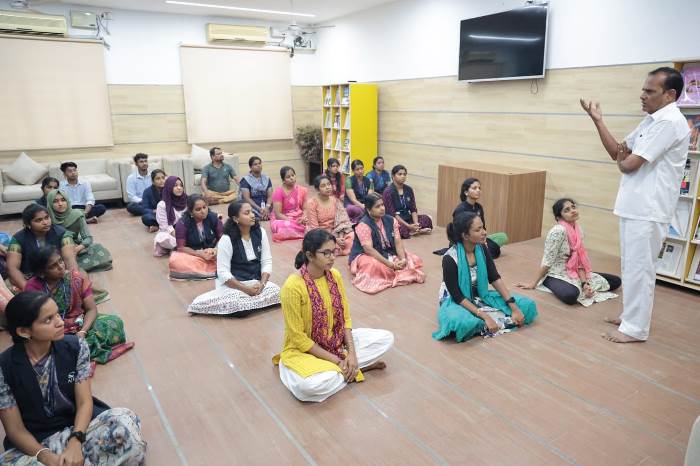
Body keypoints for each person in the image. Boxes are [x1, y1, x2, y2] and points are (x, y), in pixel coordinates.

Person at [581, 66, 690, 343]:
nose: (642, 95)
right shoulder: (652, 120)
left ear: (670, 94)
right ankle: (630, 317)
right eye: (643, 89)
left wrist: (623, 158)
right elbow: (617, 150)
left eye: (650, 91)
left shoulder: (669, 122)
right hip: (634, 206)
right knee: (630, 266)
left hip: (650, 209)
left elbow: (628, 164)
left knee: (641, 268)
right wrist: (598, 121)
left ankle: (635, 329)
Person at [0, 292, 146, 465]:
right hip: (37, 441)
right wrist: (47, 457)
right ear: (24, 331)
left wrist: (75, 442)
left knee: (124, 421)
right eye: (48, 320)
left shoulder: (76, 346)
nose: (60, 322)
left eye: (57, 314)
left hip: (79, 428)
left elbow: (84, 402)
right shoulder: (5, 366)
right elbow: (15, 429)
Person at [273, 229, 394, 402]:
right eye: (326, 253)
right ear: (310, 255)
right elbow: (298, 339)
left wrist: (351, 354)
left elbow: (345, 318)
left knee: (386, 338)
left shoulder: (335, 276)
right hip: (304, 351)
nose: (332, 257)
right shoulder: (292, 287)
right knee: (309, 387)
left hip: (336, 341)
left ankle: (348, 368)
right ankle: (352, 369)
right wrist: (337, 361)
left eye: (334, 251)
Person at [433, 212, 538, 342]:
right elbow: (457, 296)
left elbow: (494, 278)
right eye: (478, 230)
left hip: (480, 294)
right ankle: (489, 322)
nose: (484, 232)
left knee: (527, 305)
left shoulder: (482, 248)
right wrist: (485, 317)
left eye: (483, 227)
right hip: (456, 299)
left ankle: (485, 326)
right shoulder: (450, 258)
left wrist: (514, 307)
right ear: (465, 235)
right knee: (461, 323)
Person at [24, 246, 134, 364]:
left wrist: (82, 332)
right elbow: (37, 321)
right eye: (52, 266)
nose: (60, 267)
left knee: (114, 322)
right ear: (41, 272)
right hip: (52, 329)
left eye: (60, 261)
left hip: (79, 324)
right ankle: (75, 350)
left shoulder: (76, 278)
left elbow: (91, 309)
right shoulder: (33, 288)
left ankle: (73, 351)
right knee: (42, 343)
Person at [516, 198, 621, 306]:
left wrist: (585, 284)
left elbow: (579, 261)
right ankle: (548, 281)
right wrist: (533, 283)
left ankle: (581, 286)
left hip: (574, 272)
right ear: (559, 217)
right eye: (567, 210)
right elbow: (547, 260)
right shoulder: (558, 231)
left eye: (573, 207)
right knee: (571, 296)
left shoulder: (578, 230)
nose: (573, 211)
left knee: (616, 281)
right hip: (555, 273)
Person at [188, 201, 281, 316]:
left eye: (252, 212)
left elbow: (266, 261)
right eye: (247, 213)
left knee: (278, 293)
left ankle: (251, 302)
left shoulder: (260, 232)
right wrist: (246, 289)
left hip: (255, 281)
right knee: (238, 304)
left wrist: (262, 284)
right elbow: (222, 273)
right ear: (236, 219)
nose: (252, 215)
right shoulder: (227, 239)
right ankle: (202, 304)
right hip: (234, 285)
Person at [349, 193, 426, 294]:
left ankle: (395, 266)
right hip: (365, 254)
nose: (382, 208)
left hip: (386, 251)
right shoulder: (363, 224)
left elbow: (397, 242)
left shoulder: (390, 220)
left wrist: (402, 259)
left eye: (382, 205)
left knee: (407, 257)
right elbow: (369, 250)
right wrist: (390, 264)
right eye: (377, 206)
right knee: (373, 265)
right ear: (368, 210)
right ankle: (390, 271)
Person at [5, 205, 78, 291]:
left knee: (79, 278)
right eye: (38, 220)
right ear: (28, 224)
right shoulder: (18, 239)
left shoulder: (62, 233)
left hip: (57, 273)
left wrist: (74, 282)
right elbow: (12, 268)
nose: (45, 222)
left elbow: (69, 258)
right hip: (30, 275)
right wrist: (29, 289)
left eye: (47, 218)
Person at [46, 189, 113, 273]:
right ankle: (71, 268)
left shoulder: (77, 215)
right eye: (55, 201)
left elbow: (88, 238)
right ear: (50, 204)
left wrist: (77, 249)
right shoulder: (47, 219)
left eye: (63, 200)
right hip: (55, 251)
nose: (60, 204)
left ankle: (68, 267)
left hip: (76, 249)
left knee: (103, 257)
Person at [169, 195, 223, 280]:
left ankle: (204, 270)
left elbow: (223, 238)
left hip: (212, 252)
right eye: (198, 209)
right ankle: (211, 270)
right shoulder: (182, 223)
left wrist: (215, 250)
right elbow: (181, 248)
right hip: (193, 253)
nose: (203, 211)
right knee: (176, 260)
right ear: (191, 212)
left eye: (204, 207)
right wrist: (200, 254)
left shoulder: (213, 218)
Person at [451, 178, 508, 258]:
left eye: (479, 188)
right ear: (466, 192)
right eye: (474, 188)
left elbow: (483, 227)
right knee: (493, 250)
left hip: (477, 237)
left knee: (502, 236)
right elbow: (459, 233)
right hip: (466, 240)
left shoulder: (479, 207)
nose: (478, 190)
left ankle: (481, 250)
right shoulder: (461, 210)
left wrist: (484, 240)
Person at [306, 175, 354, 256]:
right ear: (317, 189)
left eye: (329, 184)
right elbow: (314, 228)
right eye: (323, 186)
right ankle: (334, 249)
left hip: (336, 231)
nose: (328, 187)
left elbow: (343, 221)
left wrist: (341, 236)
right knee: (322, 245)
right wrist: (334, 239)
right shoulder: (312, 203)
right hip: (320, 234)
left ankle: (336, 248)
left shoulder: (334, 200)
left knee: (352, 236)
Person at [382, 164, 432, 239]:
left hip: (407, 217)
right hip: (396, 219)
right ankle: (417, 231)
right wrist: (408, 226)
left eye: (404, 174)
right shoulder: (388, 192)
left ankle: (415, 230)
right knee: (397, 229)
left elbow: (413, 208)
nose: (403, 176)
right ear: (393, 176)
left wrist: (416, 223)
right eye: (400, 174)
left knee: (427, 219)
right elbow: (392, 214)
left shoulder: (409, 189)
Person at [270, 166, 308, 242]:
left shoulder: (302, 190)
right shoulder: (278, 192)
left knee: (311, 220)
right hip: (283, 219)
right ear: (283, 180)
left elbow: (305, 209)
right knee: (280, 225)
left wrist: (304, 217)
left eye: (293, 175)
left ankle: (297, 231)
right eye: (288, 177)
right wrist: (294, 221)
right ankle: (304, 232)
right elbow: (278, 215)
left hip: (299, 217)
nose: (292, 178)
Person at [154, 176, 187, 256]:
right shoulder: (162, 205)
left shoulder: (187, 200)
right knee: (162, 238)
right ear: (169, 187)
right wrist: (180, 238)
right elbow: (165, 226)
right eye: (175, 185)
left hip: (187, 230)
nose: (179, 188)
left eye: (181, 185)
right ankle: (182, 246)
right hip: (172, 233)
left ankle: (178, 248)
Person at [239, 156, 273, 220]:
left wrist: (267, 208)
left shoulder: (266, 178)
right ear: (250, 167)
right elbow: (247, 198)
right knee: (248, 213)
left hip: (266, 205)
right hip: (252, 205)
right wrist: (259, 209)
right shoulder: (246, 180)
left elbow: (270, 196)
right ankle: (262, 215)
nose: (258, 165)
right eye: (255, 164)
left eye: (259, 163)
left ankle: (265, 215)